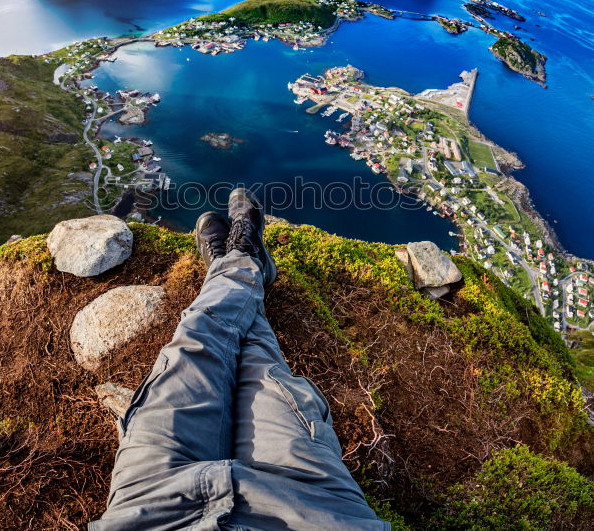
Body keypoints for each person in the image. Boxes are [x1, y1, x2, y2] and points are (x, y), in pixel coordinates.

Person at [92, 188, 387, 530]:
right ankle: (243, 258)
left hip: (152, 507)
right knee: (261, 364)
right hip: (309, 506)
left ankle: (232, 263)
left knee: (194, 340)